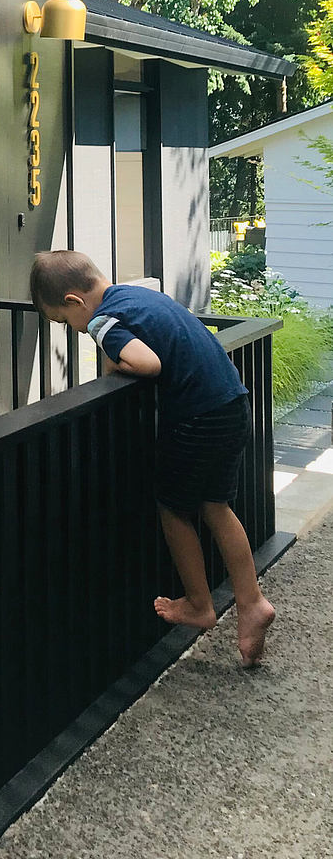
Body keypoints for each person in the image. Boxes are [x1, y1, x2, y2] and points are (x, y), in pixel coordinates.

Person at [29, 249, 275, 668]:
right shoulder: (130, 296)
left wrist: (115, 367)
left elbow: (147, 361)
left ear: (74, 302)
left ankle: (199, 603)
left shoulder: (103, 321)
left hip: (196, 418)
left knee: (172, 508)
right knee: (216, 507)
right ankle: (251, 602)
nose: (70, 328)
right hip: (230, 402)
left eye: (62, 321)